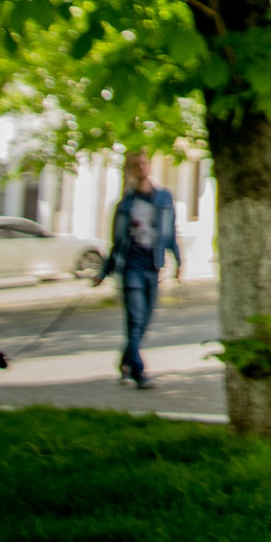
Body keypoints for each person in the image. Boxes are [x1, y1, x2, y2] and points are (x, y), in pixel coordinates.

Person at [97, 151, 182, 389]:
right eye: (136, 165)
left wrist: (178, 261)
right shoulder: (125, 204)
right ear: (131, 170)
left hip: (153, 266)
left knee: (144, 321)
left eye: (144, 163)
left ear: (150, 167)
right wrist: (104, 272)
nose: (141, 168)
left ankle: (126, 363)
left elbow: (170, 233)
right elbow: (116, 242)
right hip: (131, 267)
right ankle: (139, 372)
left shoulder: (164, 199)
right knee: (135, 319)